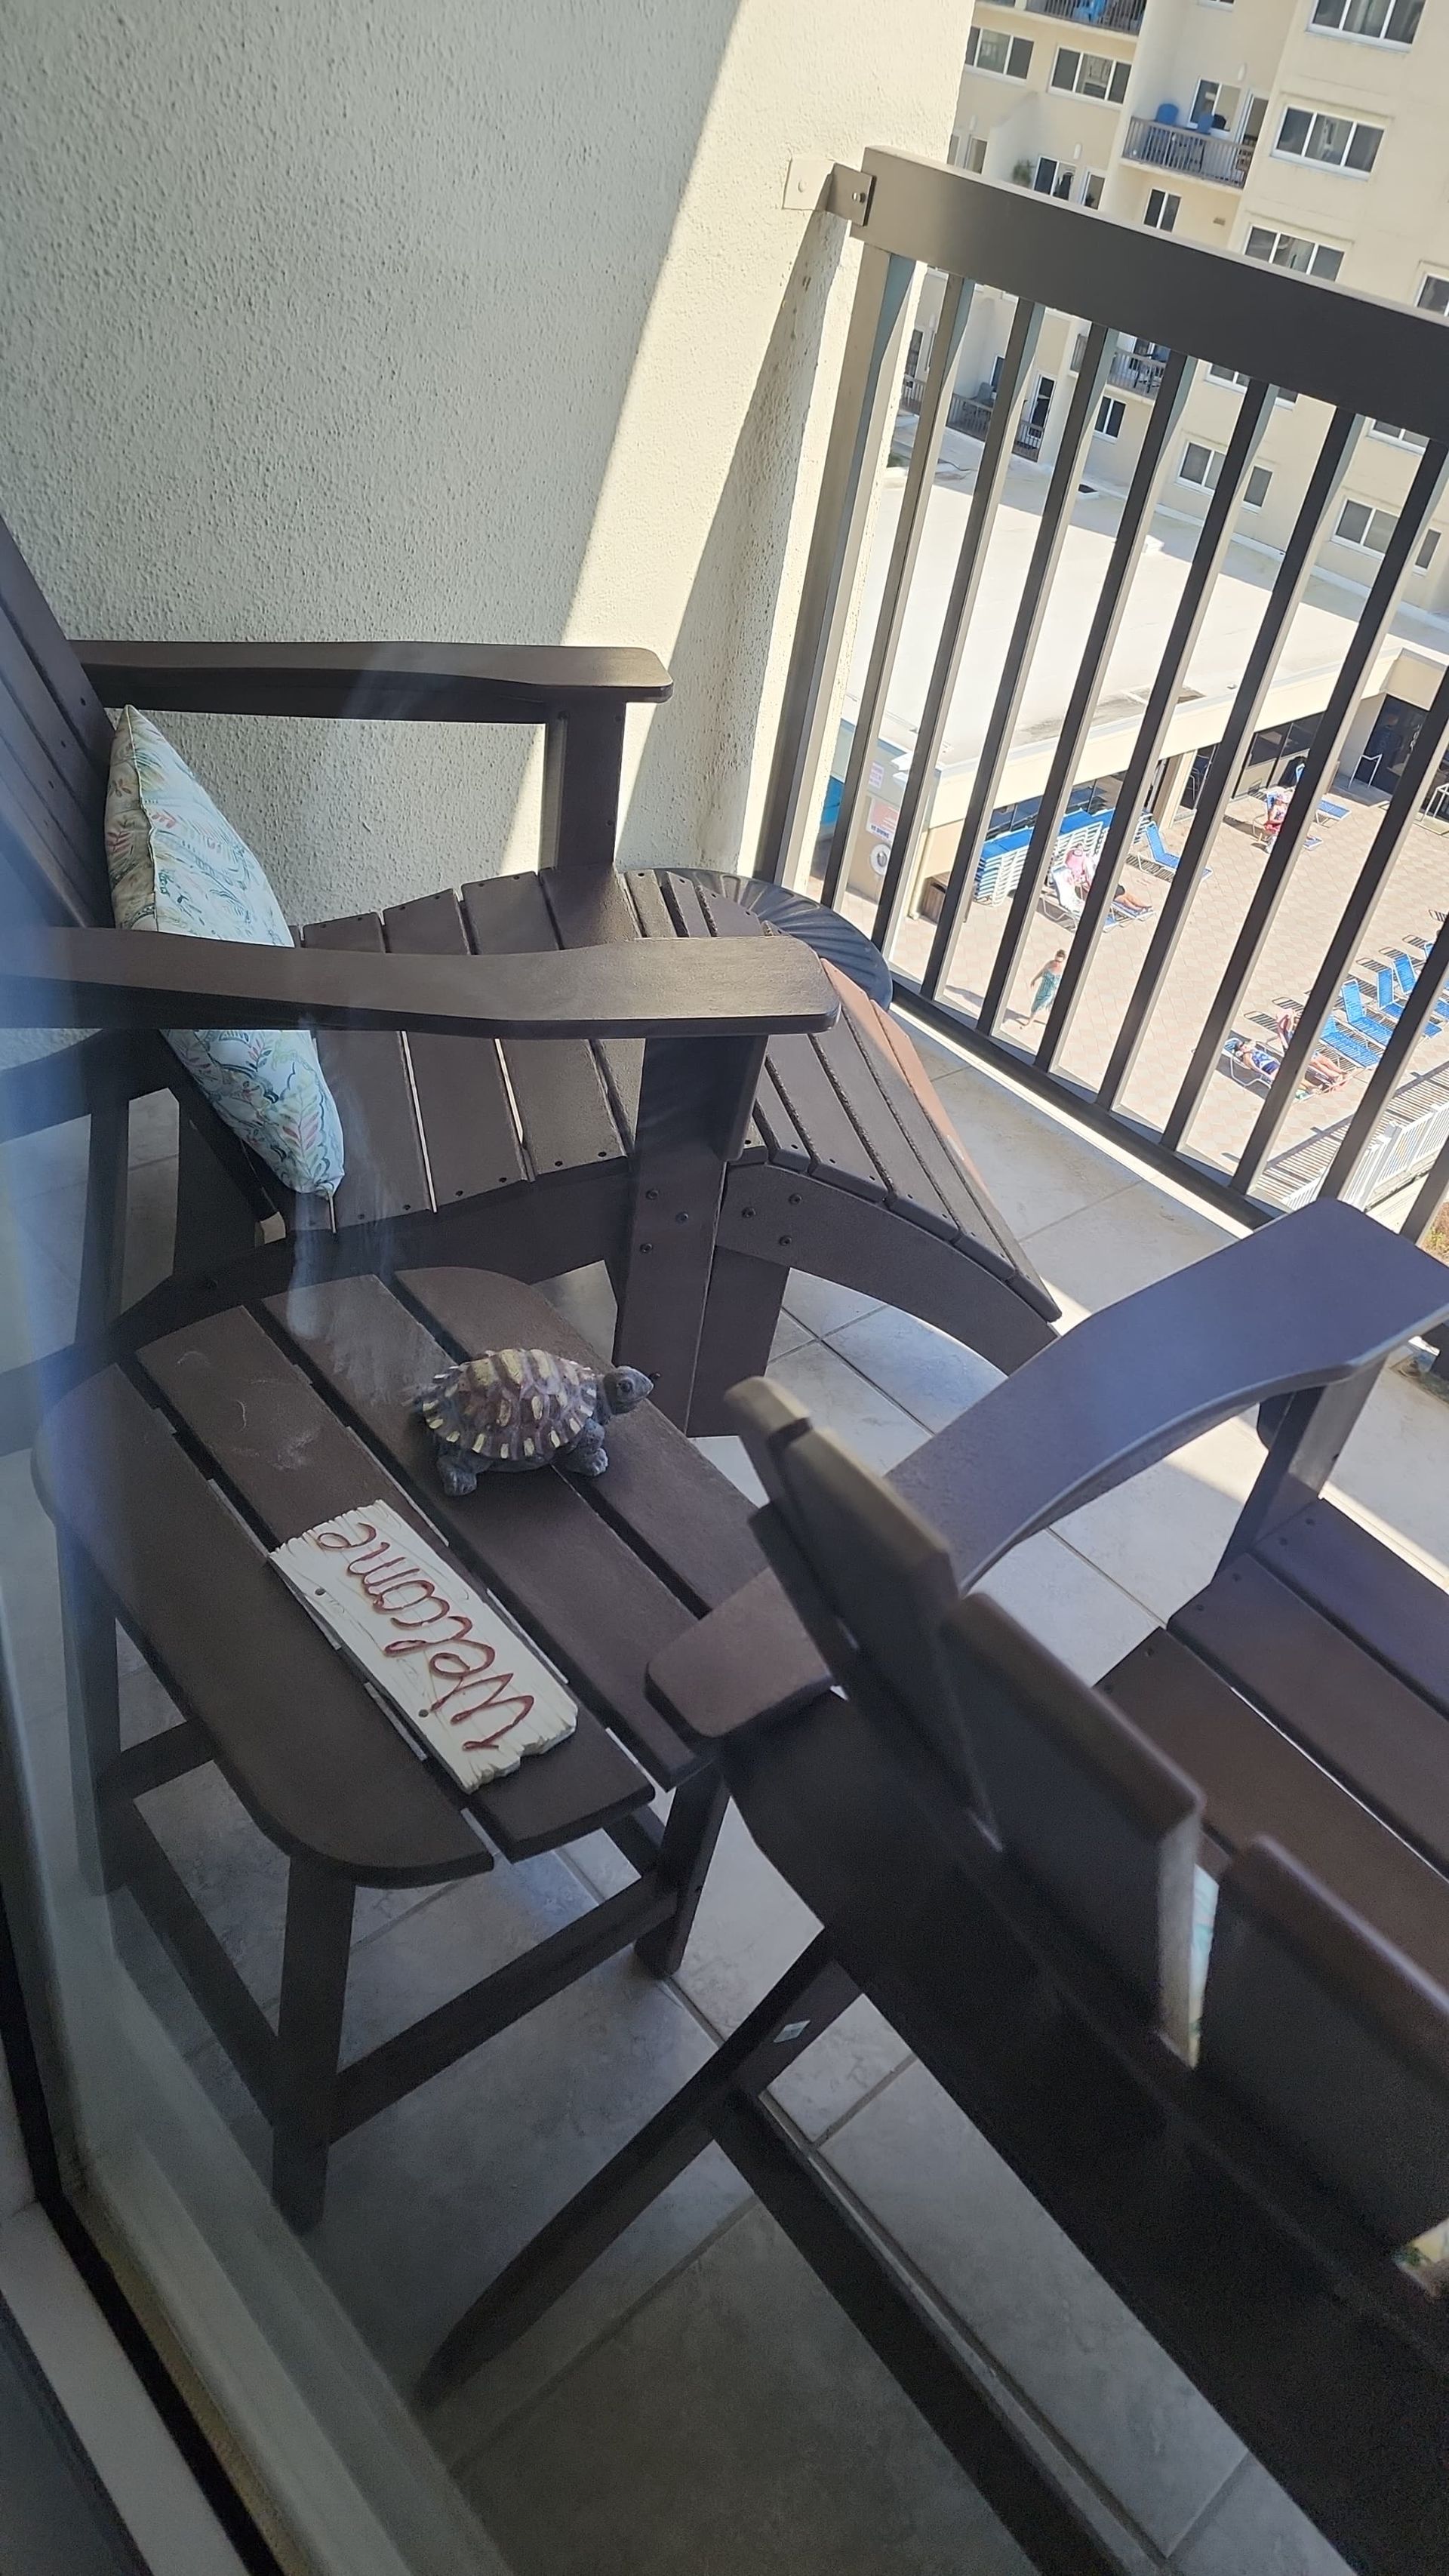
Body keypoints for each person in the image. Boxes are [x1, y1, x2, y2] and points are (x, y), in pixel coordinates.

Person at [1028, 950, 1066, 1020]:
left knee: (1047, 1006)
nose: (1057, 963)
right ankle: (1030, 1020)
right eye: (1056, 960)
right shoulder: (1050, 964)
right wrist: (1034, 979)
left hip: (1052, 992)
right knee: (1036, 1005)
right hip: (1043, 988)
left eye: (1059, 962)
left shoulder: (1063, 969)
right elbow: (1042, 971)